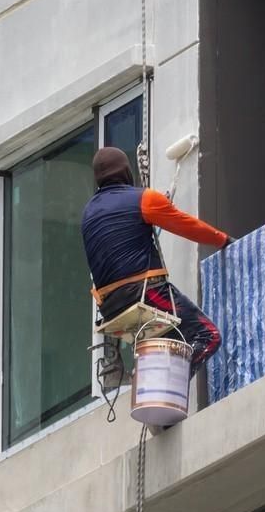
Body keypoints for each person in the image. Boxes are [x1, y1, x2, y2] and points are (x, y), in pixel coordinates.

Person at [82, 147, 233, 377]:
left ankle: (153, 377)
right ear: (125, 170)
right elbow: (187, 225)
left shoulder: (88, 214)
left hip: (110, 306)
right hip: (145, 294)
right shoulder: (143, 199)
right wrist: (224, 240)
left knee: (170, 342)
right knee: (208, 336)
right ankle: (169, 382)